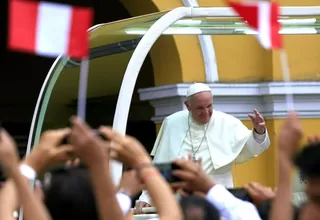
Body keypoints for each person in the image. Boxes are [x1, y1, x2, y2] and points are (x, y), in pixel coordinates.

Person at [136, 83, 270, 211]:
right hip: (180, 203)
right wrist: (146, 196)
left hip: (216, 201)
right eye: (200, 108)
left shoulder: (227, 122)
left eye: (209, 106)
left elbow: (251, 147)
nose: (206, 112)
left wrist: (259, 131)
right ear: (188, 106)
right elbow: (161, 165)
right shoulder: (172, 123)